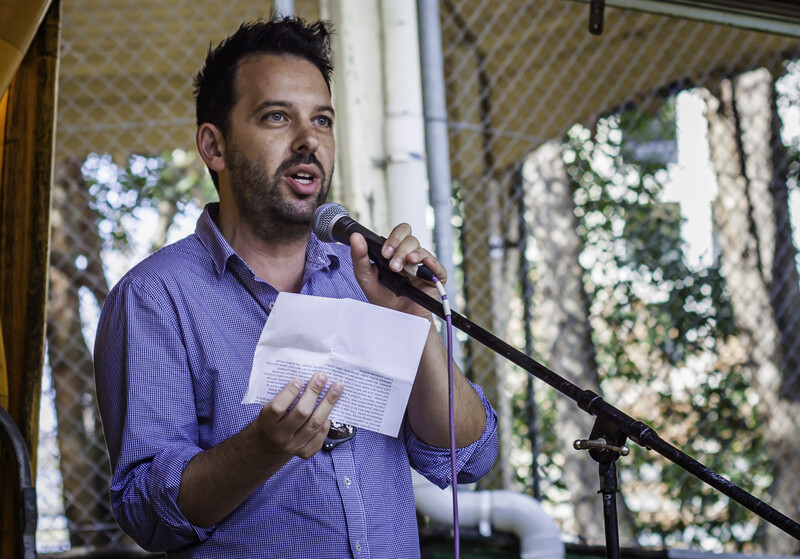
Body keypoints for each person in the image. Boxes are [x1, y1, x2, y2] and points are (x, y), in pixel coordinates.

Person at [93, 15, 498, 559]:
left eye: (322, 120)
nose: (309, 141)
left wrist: (413, 321)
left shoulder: (368, 277)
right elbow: (146, 514)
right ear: (214, 146)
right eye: (277, 116)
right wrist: (261, 448)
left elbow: (466, 458)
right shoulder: (154, 297)